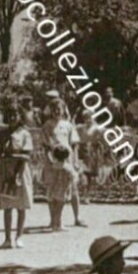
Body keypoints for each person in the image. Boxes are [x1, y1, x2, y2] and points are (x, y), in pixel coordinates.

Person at [0, 104, 35, 249]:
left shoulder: (24, 133)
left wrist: (17, 172)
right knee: (7, 205)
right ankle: (7, 239)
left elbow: (26, 155)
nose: (12, 118)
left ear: (20, 116)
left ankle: (19, 236)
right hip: (6, 169)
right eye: (10, 114)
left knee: (21, 205)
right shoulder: (2, 133)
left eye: (15, 115)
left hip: (20, 169)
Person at [42, 96, 84, 231]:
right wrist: (50, 159)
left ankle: (77, 218)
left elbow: (74, 144)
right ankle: (53, 220)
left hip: (68, 160)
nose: (57, 112)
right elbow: (45, 145)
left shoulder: (68, 125)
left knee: (71, 189)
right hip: (52, 160)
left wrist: (76, 161)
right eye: (54, 109)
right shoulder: (47, 125)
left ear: (63, 110)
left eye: (59, 109)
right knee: (52, 189)